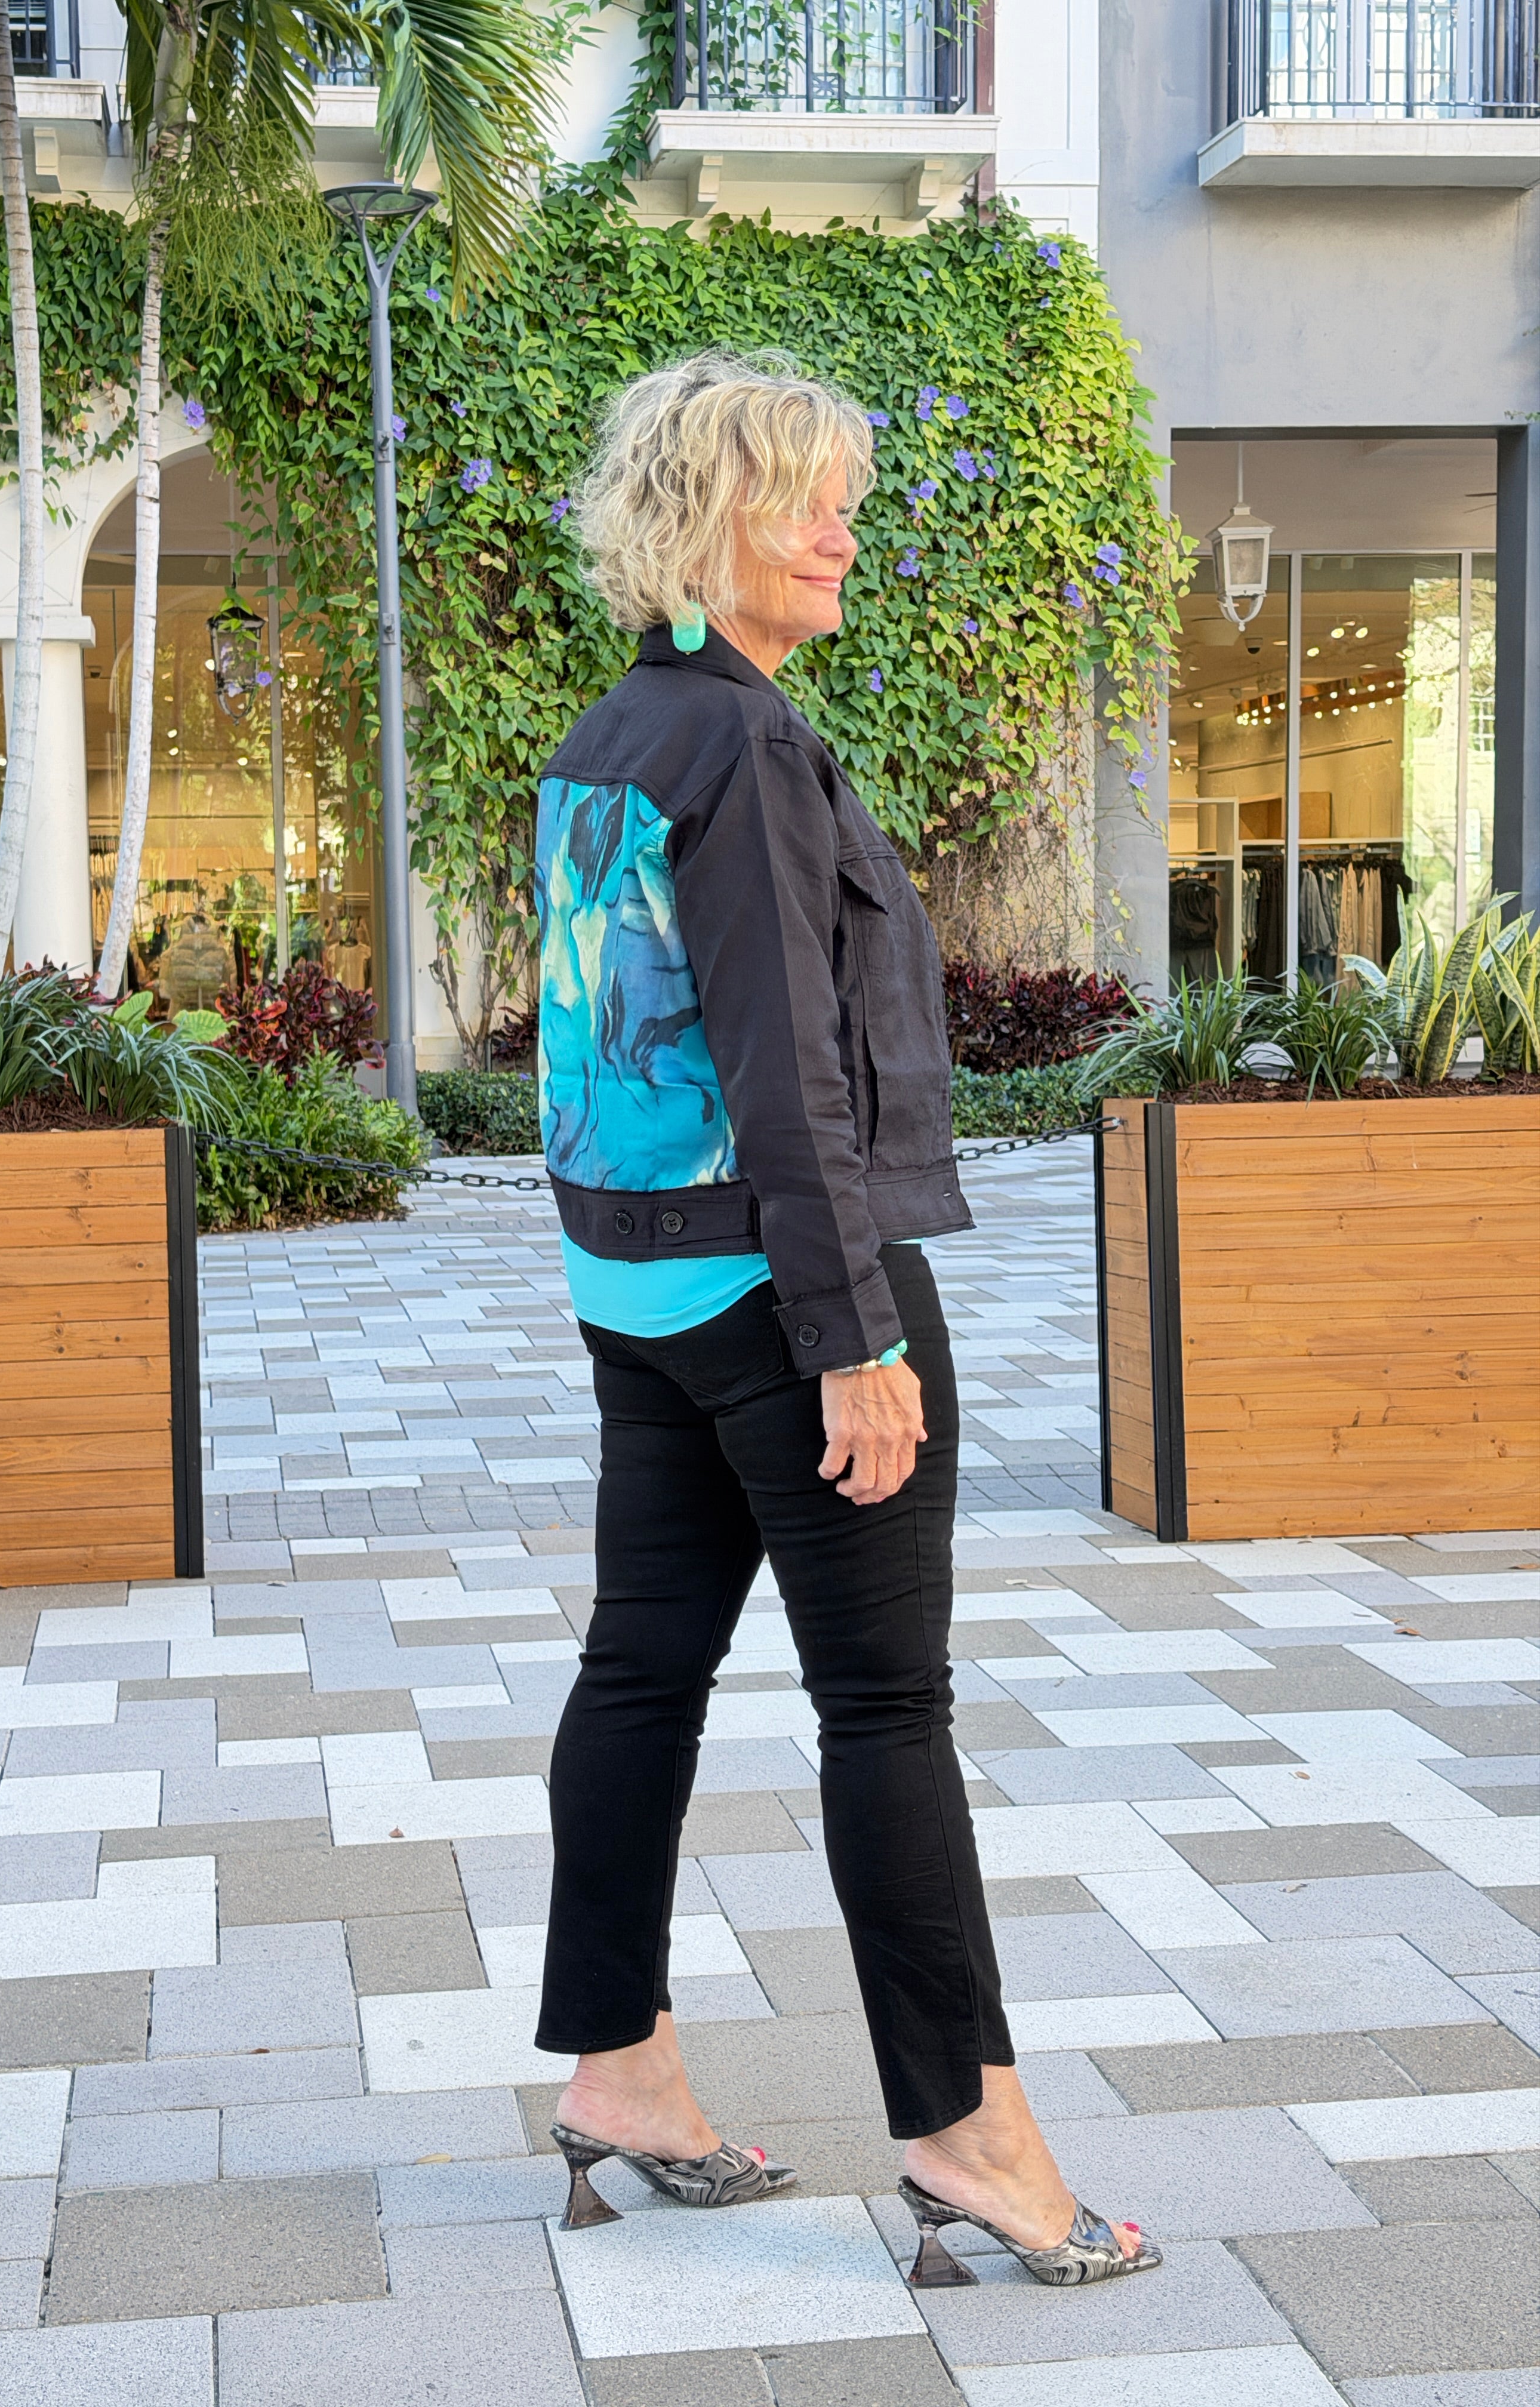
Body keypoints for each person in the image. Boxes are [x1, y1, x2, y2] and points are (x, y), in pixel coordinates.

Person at [531, 355, 1159, 2289]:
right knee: (886, 1706)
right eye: (805, 500)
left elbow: (588, 1039)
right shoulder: (742, 746)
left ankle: (621, 2075)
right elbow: (784, 1067)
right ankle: (969, 2137)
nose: (839, 533)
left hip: (638, 1288)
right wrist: (852, 1334)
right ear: (708, 516)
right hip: (772, 1290)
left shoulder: (612, 733)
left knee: (641, 1669)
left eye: (847, 502)